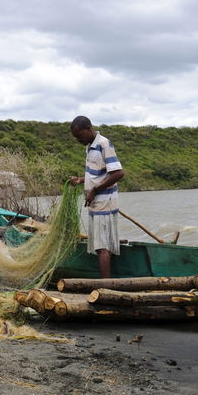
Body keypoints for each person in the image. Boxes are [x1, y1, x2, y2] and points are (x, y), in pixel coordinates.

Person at [68, 116, 125, 278]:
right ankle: (106, 282)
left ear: (88, 128)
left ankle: (104, 286)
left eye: (79, 136)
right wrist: (81, 180)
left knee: (101, 247)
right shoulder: (90, 147)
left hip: (104, 204)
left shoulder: (103, 144)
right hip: (96, 204)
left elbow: (118, 173)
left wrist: (94, 190)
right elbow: (98, 174)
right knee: (102, 245)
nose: (78, 140)